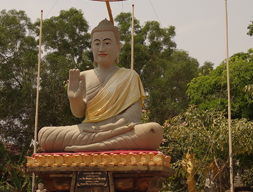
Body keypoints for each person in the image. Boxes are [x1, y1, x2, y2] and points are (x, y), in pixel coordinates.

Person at [38, 19, 163, 152]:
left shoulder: (130, 75)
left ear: (118, 47)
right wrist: (74, 99)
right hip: (88, 129)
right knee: (45, 135)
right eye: (96, 43)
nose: (101, 48)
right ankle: (105, 144)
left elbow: (136, 110)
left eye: (107, 43)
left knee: (152, 131)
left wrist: (116, 125)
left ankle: (94, 146)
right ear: (92, 46)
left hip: (118, 128)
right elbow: (79, 113)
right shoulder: (84, 76)